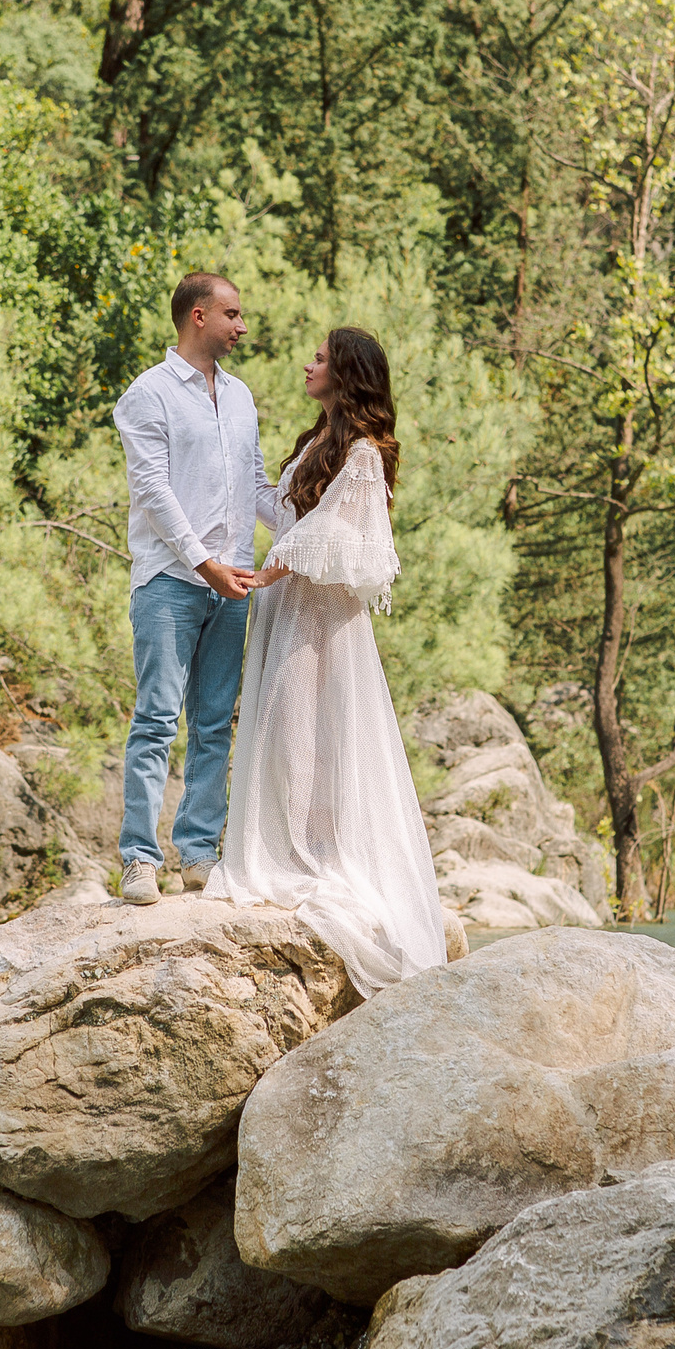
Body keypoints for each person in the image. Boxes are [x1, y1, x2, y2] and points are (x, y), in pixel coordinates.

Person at [208, 326, 448, 993]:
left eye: (319, 357)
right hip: (288, 606)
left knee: (311, 734)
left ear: (346, 374)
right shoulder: (319, 443)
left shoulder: (366, 454)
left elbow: (342, 531)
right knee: (287, 735)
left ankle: (320, 857)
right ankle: (295, 850)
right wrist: (238, 473)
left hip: (318, 616)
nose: (307, 364)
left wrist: (269, 571)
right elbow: (285, 514)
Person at [111, 272, 270, 907]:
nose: (243, 325)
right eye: (233, 314)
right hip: (171, 582)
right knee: (155, 720)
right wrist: (205, 565)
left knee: (213, 723)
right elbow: (153, 492)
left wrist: (324, 522)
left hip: (233, 582)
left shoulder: (241, 397)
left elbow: (256, 485)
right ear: (197, 317)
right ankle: (138, 859)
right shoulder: (147, 395)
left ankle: (199, 854)